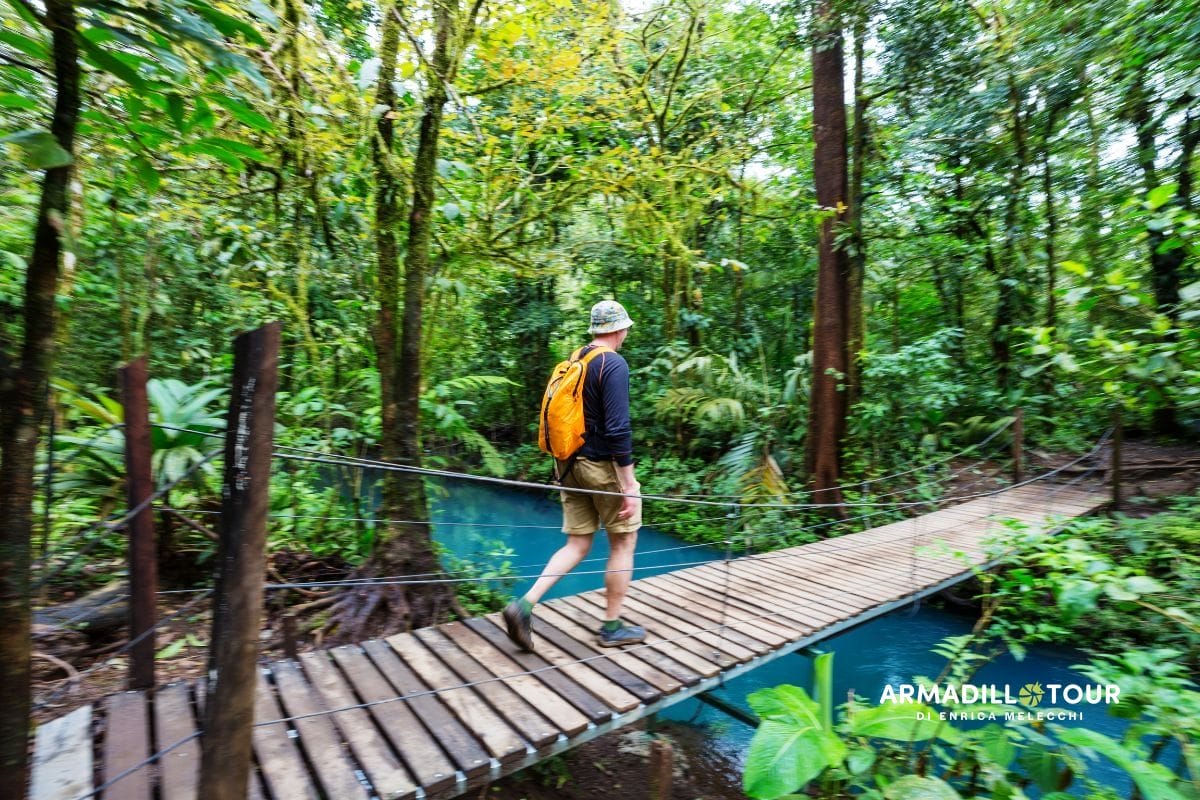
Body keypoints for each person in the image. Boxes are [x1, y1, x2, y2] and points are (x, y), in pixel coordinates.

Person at [503, 300, 646, 650]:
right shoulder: (612, 363)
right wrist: (628, 484)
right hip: (601, 468)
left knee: (578, 542)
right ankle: (611, 627)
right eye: (625, 328)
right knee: (623, 541)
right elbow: (617, 428)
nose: (625, 333)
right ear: (618, 330)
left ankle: (524, 605)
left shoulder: (574, 360)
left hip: (567, 465)